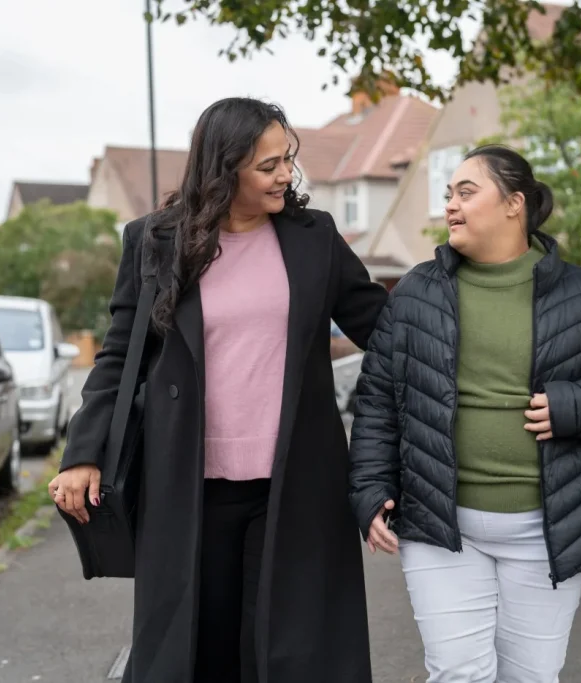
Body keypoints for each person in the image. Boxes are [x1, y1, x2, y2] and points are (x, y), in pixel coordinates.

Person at [47, 97, 388, 683]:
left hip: (295, 480)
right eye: (268, 165)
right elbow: (119, 355)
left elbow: (384, 325)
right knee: (196, 646)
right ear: (224, 168)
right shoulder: (155, 241)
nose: (286, 175)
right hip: (187, 481)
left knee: (288, 647)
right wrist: (83, 452)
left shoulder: (313, 238)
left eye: (288, 160)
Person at [348, 144, 581, 683]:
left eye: (467, 192)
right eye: (448, 195)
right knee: (457, 673)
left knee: (530, 677)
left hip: (549, 529)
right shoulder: (417, 291)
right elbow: (376, 399)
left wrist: (571, 406)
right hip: (441, 528)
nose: (452, 205)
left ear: (515, 204)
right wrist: (371, 490)